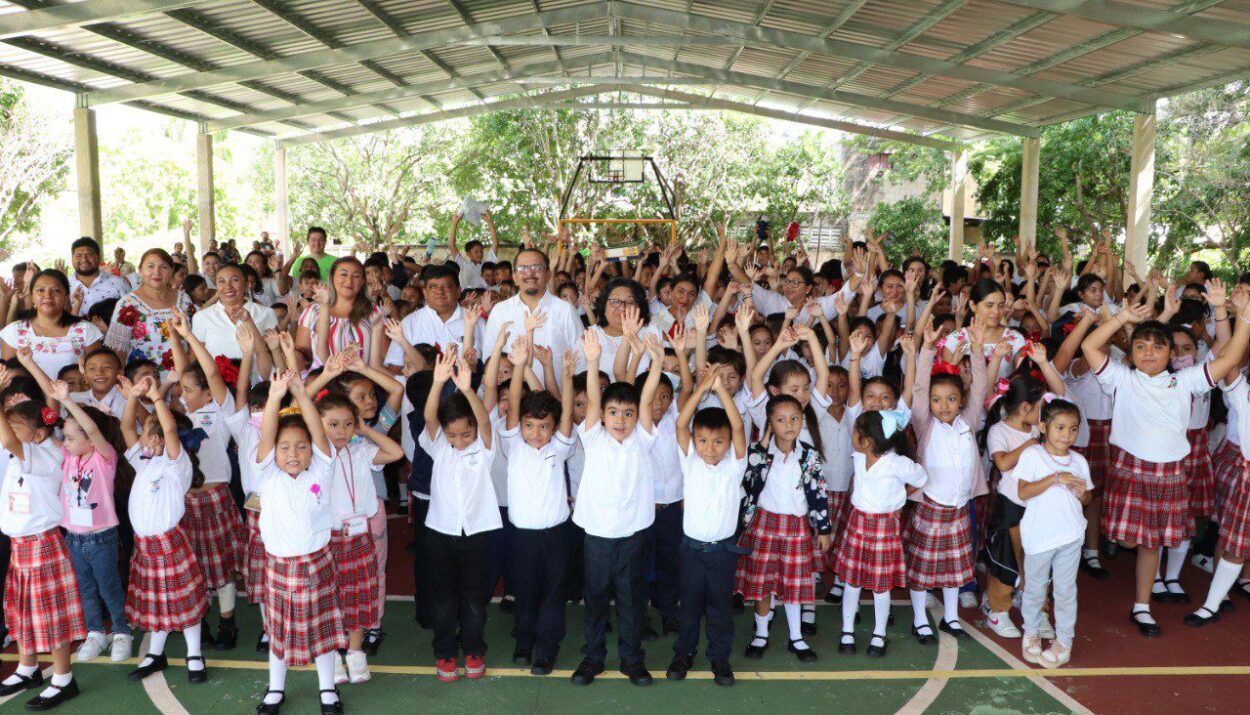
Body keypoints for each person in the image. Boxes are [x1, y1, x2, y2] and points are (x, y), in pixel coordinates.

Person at [1081, 296, 1250, 636]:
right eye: (1140, 346)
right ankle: (1117, 547)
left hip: (1170, 473)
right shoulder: (1121, 378)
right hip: (1130, 470)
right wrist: (1122, 317)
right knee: (1132, 542)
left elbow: (1230, 356)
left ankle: (1141, 607)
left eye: (1158, 347)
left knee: (1151, 544)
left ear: (1171, 354)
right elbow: (1089, 345)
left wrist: (1242, 316)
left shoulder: (1186, 381)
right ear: (1129, 354)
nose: (1148, 352)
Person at [569, 330, 664, 687]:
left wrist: (655, 362)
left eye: (628, 413)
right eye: (613, 412)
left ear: (638, 416)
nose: (620, 419)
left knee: (631, 600)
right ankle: (592, 659)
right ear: (603, 416)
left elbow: (649, 394)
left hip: (634, 535)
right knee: (595, 601)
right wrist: (593, 361)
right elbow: (592, 400)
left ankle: (631, 660)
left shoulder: (642, 438)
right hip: (597, 535)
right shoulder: (593, 438)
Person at [253, 370, 346, 715]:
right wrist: (276, 396)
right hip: (279, 566)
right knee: (278, 633)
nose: (293, 454)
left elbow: (317, 430)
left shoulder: (322, 470)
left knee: (321, 633)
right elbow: (266, 438)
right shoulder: (268, 474)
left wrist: (302, 395)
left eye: (302, 446)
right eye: (285, 447)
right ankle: (276, 690)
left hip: (316, 564)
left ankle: (327, 689)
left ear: (312, 450)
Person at [905, 325, 999, 644]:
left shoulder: (968, 422)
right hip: (931, 506)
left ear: (962, 400)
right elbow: (918, 390)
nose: (943, 405)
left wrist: (976, 349)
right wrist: (928, 349)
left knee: (955, 570)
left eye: (951, 399)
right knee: (922, 568)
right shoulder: (925, 424)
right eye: (937, 399)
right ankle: (919, 619)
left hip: (959, 509)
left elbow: (982, 385)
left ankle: (951, 618)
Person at [118, 375, 211, 684]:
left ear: (158, 440)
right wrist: (132, 396)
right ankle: (156, 654)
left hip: (168, 543)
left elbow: (169, 428)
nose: (141, 437)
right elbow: (126, 428)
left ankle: (194, 654)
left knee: (183, 601)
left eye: (148, 433)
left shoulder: (176, 466)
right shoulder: (145, 463)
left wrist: (157, 398)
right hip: (145, 545)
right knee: (156, 601)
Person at [0, 396, 87, 710]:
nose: (6, 432)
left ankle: (63, 678)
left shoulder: (46, 454)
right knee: (24, 610)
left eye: (13, 426)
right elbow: (15, 435)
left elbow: (9, 438)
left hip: (41, 545)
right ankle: (28, 667)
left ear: (37, 433)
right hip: (21, 546)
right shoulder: (28, 450)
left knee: (51, 616)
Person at [420, 347, 499, 682]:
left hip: (478, 532)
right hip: (440, 533)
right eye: (453, 435)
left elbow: (482, 420)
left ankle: (473, 650)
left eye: (464, 434)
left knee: (474, 599)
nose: (460, 440)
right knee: (444, 600)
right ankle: (445, 654)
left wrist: (467, 389)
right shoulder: (440, 447)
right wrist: (437, 383)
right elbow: (428, 419)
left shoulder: (484, 447)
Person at [316, 383, 403, 686]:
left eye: (348, 424)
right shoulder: (316, 457)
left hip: (359, 537)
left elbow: (396, 452)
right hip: (327, 540)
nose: (341, 431)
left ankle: (355, 652)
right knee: (330, 600)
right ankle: (335, 654)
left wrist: (366, 431)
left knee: (358, 596)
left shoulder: (362, 451)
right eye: (333, 424)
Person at [665, 365, 747, 687]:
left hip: (722, 554)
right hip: (691, 550)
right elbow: (682, 422)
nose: (709, 448)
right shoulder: (690, 461)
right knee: (689, 607)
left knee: (719, 608)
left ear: (728, 444)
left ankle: (719, 657)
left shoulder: (734, 467)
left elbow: (738, 425)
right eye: (703, 440)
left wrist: (721, 390)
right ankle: (683, 654)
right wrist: (703, 387)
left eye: (717, 441)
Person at [169, 310, 245, 650]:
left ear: (207, 391)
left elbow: (209, 371)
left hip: (215, 499)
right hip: (188, 501)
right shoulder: (181, 416)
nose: (182, 394)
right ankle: (200, 621)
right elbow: (184, 366)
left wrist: (189, 335)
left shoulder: (220, 411)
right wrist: (174, 335)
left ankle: (227, 621)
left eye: (188, 389)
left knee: (223, 566)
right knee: (197, 566)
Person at [43, 377, 134, 664]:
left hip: (101, 537)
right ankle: (94, 632)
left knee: (108, 586)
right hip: (73, 537)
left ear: (88, 438)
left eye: (71, 437)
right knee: (85, 588)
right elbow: (46, 428)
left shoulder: (103, 459)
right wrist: (53, 395)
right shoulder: (69, 457)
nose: (65, 442)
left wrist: (68, 400)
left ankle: (121, 632)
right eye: (65, 437)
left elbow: (93, 429)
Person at [499, 336, 575, 675]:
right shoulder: (513, 444)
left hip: (557, 533)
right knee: (525, 590)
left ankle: (547, 649)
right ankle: (523, 641)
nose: (535, 432)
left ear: (553, 428)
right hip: (522, 535)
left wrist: (569, 377)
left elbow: (568, 411)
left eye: (543, 426)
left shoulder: (560, 447)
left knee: (553, 593)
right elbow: (514, 403)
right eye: (529, 425)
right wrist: (518, 366)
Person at [836, 410, 927, 657]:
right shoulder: (859, 455)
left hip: (884, 527)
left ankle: (879, 633)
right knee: (852, 580)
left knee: (880, 585)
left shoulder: (896, 463)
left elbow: (921, 477)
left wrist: (899, 499)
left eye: (856, 431)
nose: (852, 434)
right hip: (858, 522)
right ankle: (847, 631)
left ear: (867, 440)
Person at [1016, 398, 1092, 669]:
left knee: (1065, 590)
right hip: (1039, 535)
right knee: (1035, 588)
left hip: (1070, 535)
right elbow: (1023, 492)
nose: (1067, 435)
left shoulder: (1080, 461)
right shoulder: (1032, 455)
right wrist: (1055, 478)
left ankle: (1064, 641)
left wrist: (1082, 494)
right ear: (1043, 426)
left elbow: (1086, 499)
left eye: (1073, 429)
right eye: (1060, 428)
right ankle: (1032, 631)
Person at [482, 248, 585, 386]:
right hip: (511, 402)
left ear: (548, 275)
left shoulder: (565, 310)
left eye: (537, 267)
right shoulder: (500, 311)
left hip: (557, 401)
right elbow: (489, 360)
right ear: (515, 277)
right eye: (523, 268)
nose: (529, 273)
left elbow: (581, 360)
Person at [103, 249, 193, 376]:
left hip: (184, 381)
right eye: (150, 266)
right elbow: (118, 353)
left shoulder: (184, 299)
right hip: (145, 384)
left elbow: (196, 341)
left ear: (172, 271)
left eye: (163, 267)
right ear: (140, 270)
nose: (156, 272)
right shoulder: (127, 304)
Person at [1, 269, 104, 380]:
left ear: (66, 297)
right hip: (28, 396)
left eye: (55, 290)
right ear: (32, 298)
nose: (47, 295)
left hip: (76, 396)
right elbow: (9, 377)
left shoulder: (86, 330)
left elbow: (96, 375)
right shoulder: (13, 332)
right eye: (40, 290)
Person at [383, 263, 480, 372]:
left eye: (446, 286)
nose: (439, 291)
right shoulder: (409, 323)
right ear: (425, 292)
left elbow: (488, 364)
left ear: (458, 291)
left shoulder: (476, 321)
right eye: (433, 286)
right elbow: (395, 367)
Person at [296, 257, 387, 369]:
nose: (349, 281)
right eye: (343, 274)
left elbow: (383, 359)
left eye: (356, 276)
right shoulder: (313, 311)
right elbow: (301, 358)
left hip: (364, 383)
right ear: (332, 277)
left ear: (363, 281)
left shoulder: (374, 312)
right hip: (322, 382)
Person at [192, 263, 279, 365]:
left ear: (246, 283)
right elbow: (195, 358)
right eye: (221, 281)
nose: (228, 286)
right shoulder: (202, 317)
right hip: (216, 380)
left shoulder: (266, 313)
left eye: (234, 280)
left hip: (259, 380)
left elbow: (277, 355)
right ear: (216, 286)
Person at [66, 238, 130, 316]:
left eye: (89, 255)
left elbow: (133, 314)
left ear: (99, 258)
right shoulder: (63, 285)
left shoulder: (119, 283)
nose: (84, 260)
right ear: (72, 259)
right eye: (78, 256)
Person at [447, 211, 500, 290]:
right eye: (476, 252)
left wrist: (489, 222)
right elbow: (451, 244)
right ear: (468, 254)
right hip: (468, 300)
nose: (480, 254)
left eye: (481, 251)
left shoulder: (488, 264)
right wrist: (455, 222)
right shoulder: (462, 265)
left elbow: (495, 243)